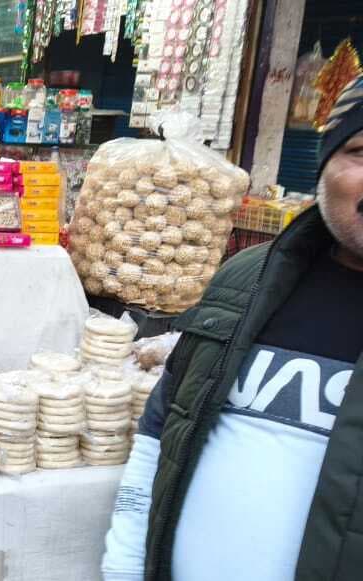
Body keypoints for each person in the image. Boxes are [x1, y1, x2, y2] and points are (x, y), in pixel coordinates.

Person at [102, 77, 363, 580]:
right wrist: (123, 567)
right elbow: (162, 432)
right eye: (360, 151)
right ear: (325, 164)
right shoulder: (247, 279)